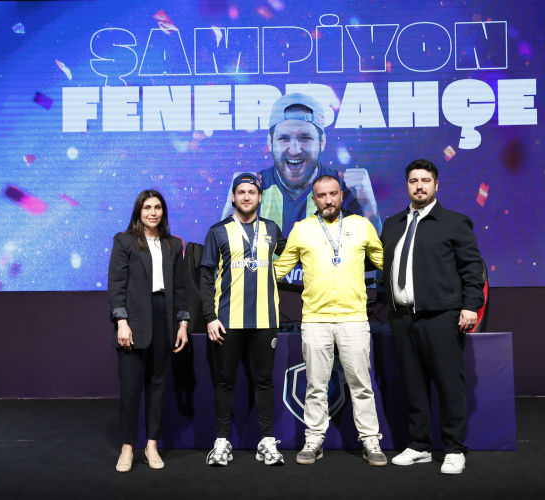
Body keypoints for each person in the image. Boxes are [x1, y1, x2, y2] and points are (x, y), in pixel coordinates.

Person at [273, 174, 387, 467]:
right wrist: (247, 274)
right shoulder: (302, 229)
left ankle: (370, 440)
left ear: (341, 195)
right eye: (321, 195)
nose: (328, 200)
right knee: (315, 385)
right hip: (315, 320)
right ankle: (314, 439)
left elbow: (385, 261)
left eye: (333, 194)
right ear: (314, 199)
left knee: (361, 384)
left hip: (354, 319)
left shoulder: (361, 225)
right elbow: (280, 268)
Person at [381, 159, 484, 475]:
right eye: (414, 181)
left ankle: (454, 449)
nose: (419, 186)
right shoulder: (392, 224)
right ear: (407, 185)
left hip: (441, 317)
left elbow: (472, 269)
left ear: (436, 185)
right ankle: (419, 446)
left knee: (449, 385)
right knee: (413, 386)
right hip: (402, 318)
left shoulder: (455, 222)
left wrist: (470, 306)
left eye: (425, 180)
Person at [220, 94, 382, 271]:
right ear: (270, 142)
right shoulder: (254, 190)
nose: (295, 150)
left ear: (322, 142)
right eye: (284, 138)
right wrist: (230, 209)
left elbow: (373, 262)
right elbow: (226, 262)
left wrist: (369, 206)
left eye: (305, 138)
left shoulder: (343, 189)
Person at [200, 173, 287, 466]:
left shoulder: (272, 229)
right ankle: (222, 442)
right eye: (241, 192)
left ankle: (267, 442)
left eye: (252, 192)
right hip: (227, 322)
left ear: (260, 197)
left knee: (264, 382)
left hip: (265, 320)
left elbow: (293, 257)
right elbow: (205, 277)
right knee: (224, 383)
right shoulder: (218, 231)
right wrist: (210, 317)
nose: (247, 196)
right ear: (234, 197)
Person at [108, 190, 190, 472]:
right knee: (131, 388)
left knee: (158, 386)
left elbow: (181, 289)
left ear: (163, 212)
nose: (152, 213)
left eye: (157, 207)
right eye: (147, 207)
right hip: (133, 320)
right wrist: (121, 322)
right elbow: (116, 285)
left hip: (164, 318)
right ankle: (127, 448)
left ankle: (151, 446)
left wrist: (182, 323)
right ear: (138, 211)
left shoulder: (173, 244)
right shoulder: (124, 241)